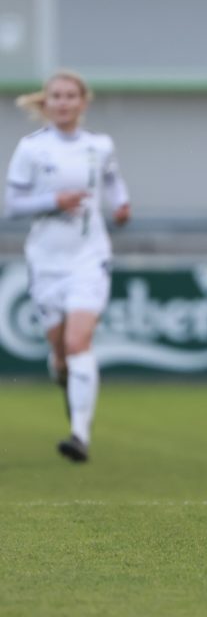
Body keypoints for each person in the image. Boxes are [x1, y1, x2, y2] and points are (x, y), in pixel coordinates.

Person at [4, 71, 131, 462]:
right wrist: (53, 201)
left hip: (89, 258)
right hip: (46, 262)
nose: (62, 102)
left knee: (79, 343)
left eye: (69, 96)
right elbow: (12, 205)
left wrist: (121, 204)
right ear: (46, 102)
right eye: (55, 96)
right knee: (60, 354)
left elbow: (113, 181)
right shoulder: (31, 149)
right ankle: (66, 380)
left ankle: (79, 435)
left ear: (82, 102)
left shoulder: (99, 146)